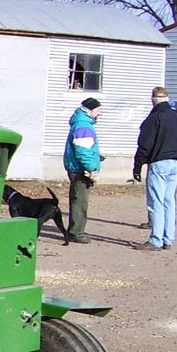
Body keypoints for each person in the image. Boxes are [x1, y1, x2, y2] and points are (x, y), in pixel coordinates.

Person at [132, 87, 177, 251]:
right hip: (175, 161)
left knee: (156, 201)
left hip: (159, 162)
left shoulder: (154, 117)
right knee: (169, 202)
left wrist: (138, 165)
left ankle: (156, 239)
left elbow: (145, 144)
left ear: (152, 100)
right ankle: (168, 238)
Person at [63, 97, 102, 244]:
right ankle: (75, 232)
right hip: (81, 170)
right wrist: (91, 168)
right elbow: (82, 151)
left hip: (77, 168)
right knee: (80, 201)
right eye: (98, 110)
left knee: (78, 199)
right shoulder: (84, 126)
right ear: (90, 110)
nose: (99, 114)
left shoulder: (80, 124)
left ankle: (75, 230)